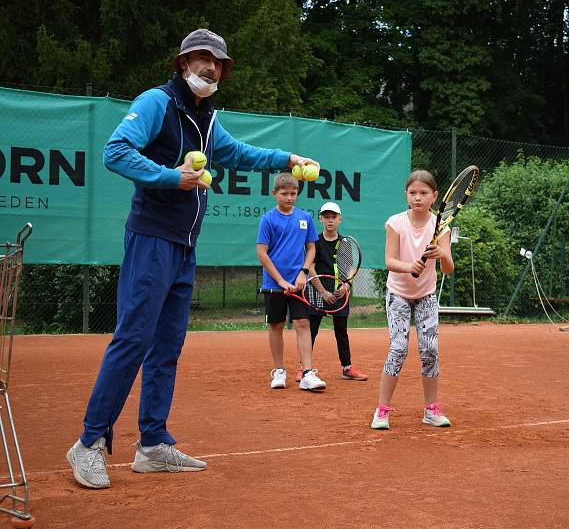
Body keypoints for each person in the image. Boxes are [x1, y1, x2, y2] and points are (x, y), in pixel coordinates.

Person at [66, 28, 320, 490]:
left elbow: (238, 153)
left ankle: (153, 445)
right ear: (183, 63)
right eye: (201, 58)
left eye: (217, 61)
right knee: (132, 340)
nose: (210, 67)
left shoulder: (207, 117)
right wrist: (170, 176)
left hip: (184, 248)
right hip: (150, 239)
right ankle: (87, 443)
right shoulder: (155, 103)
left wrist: (287, 155)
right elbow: (114, 152)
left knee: (167, 347)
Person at [371, 170, 454, 430]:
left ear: (435, 197)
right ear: (406, 194)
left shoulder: (441, 227)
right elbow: (389, 261)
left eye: (424, 193)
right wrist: (410, 267)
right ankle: (382, 410)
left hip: (426, 296)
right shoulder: (395, 222)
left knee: (430, 350)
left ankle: (431, 409)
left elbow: (448, 269)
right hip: (398, 294)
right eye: (413, 193)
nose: (417, 197)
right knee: (398, 348)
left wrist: (442, 253)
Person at [259, 173, 327, 392]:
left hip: (299, 283)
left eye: (293, 193)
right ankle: (279, 370)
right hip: (274, 284)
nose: (289, 197)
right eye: (284, 193)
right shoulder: (268, 219)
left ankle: (307, 373)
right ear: (275, 194)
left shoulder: (305, 218)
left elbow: (311, 249)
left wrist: (303, 273)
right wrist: (280, 280)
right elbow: (262, 252)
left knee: (303, 323)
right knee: (276, 325)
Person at [304, 202, 368, 382]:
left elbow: (349, 267)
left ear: (339, 219)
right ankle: (304, 368)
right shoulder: (314, 243)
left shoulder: (345, 244)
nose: (330, 220)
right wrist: (323, 291)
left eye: (333, 217)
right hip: (318, 292)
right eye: (326, 217)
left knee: (341, 332)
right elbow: (310, 268)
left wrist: (346, 285)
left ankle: (347, 368)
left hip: (340, 293)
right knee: (311, 330)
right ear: (321, 219)